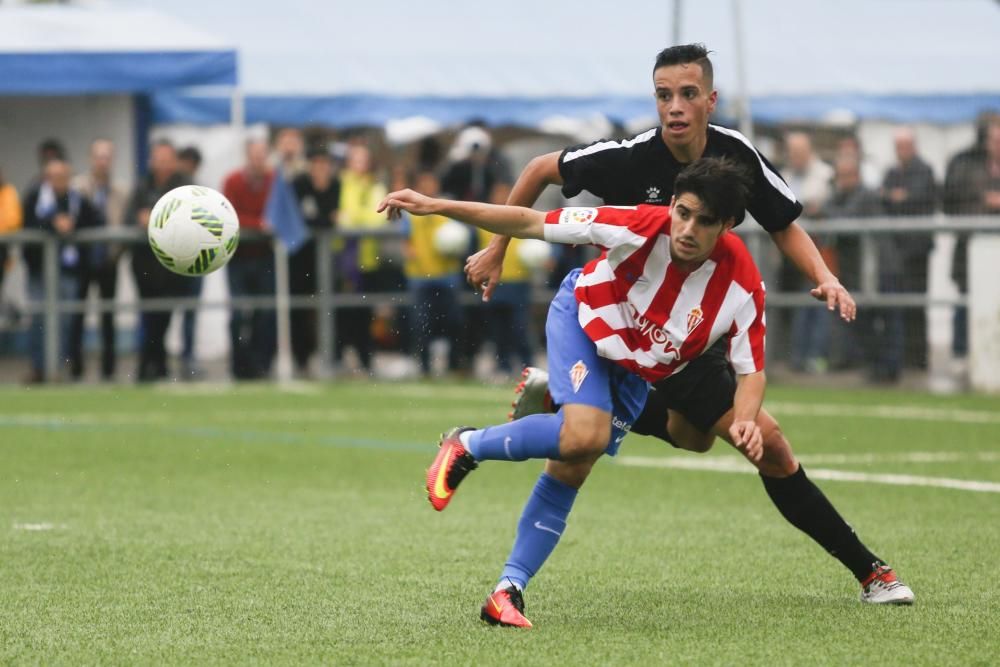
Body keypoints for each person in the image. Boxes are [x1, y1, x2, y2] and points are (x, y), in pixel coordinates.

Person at [465, 44, 908, 621]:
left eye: (687, 94)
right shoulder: (627, 158)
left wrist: (824, 276)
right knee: (579, 451)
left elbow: (784, 224)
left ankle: (870, 573)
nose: (674, 107)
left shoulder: (736, 157)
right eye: (663, 95)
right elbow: (538, 171)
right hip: (617, 327)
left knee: (738, 442)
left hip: (688, 337)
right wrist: (496, 250)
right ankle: (511, 562)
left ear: (710, 100)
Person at [381, 157, 912, 628]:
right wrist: (434, 205)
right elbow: (528, 221)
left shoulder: (742, 285)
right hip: (586, 323)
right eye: (683, 212)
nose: (686, 229)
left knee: (657, 445)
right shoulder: (638, 225)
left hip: (644, 366)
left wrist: (746, 417)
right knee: (582, 438)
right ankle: (467, 444)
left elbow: (751, 372)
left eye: (704, 221)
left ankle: (505, 592)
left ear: (727, 226)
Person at [22, 158, 102, 382]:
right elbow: (27, 223)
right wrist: (52, 225)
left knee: (66, 320)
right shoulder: (34, 198)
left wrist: (73, 226)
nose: (58, 182)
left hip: (68, 271)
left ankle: (59, 368)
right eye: (54, 177)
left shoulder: (78, 200)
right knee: (39, 318)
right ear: (46, 178)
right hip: (39, 270)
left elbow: (96, 221)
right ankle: (39, 368)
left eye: (63, 177)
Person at [126, 141, 190, 382]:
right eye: (158, 159)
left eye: (166, 159)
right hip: (145, 263)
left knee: (164, 317)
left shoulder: (185, 187)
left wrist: (154, 218)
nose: (162, 164)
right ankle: (151, 366)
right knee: (149, 315)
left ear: (174, 161)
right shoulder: (142, 186)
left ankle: (154, 365)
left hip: (174, 265)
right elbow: (129, 217)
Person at [943, 115, 1000, 357]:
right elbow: (951, 202)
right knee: (966, 299)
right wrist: (984, 202)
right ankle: (961, 352)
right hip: (971, 247)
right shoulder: (965, 164)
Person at [71, 139, 127, 380]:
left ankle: (109, 368)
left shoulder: (121, 190)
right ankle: (75, 367)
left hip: (108, 260)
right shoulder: (77, 187)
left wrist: (117, 251)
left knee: (108, 315)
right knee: (77, 315)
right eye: (98, 156)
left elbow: (126, 222)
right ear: (91, 158)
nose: (102, 161)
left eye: (107, 156)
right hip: (82, 261)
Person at [880, 128, 936, 368]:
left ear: (913, 146)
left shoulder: (924, 170)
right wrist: (897, 197)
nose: (900, 151)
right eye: (898, 146)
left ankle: (918, 357)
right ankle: (902, 356)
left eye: (904, 146)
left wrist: (897, 197)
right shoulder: (893, 172)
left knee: (916, 305)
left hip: (916, 251)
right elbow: (885, 198)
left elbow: (919, 198)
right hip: (896, 251)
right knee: (897, 306)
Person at [400, 170, 465, 377]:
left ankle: (454, 364)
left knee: (453, 321)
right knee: (421, 323)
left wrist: (456, 246)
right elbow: (404, 240)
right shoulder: (412, 212)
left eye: (432, 182)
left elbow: (461, 237)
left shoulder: (447, 207)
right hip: (420, 277)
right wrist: (409, 251)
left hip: (447, 276)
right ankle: (424, 366)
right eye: (424, 182)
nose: (429, 187)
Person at [222, 139, 276, 380]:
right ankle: (238, 365)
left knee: (265, 313)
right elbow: (229, 215)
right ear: (247, 156)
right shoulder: (233, 181)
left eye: (262, 155)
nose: (259, 159)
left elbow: (278, 213)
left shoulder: (274, 181)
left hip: (265, 256)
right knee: (238, 313)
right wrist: (259, 225)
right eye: (255, 155)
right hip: (239, 257)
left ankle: (260, 365)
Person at [291, 145, 340, 375]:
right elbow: (305, 219)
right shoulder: (299, 184)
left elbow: (332, 219)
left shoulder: (336, 184)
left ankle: (331, 356)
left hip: (328, 257)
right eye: (317, 163)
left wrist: (322, 219)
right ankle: (301, 358)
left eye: (325, 164)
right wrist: (323, 219)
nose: (321, 168)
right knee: (300, 309)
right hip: (301, 258)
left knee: (330, 306)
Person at [177, 145, 205, 378]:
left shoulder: (202, 194)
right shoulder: (170, 192)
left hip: (194, 263)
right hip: (170, 263)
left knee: (190, 313)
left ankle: (188, 358)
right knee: (159, 314)